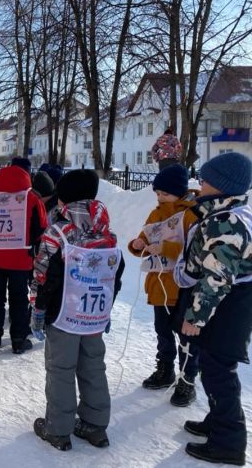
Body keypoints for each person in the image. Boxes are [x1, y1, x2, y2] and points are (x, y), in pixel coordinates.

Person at [30, 169, 125, 451]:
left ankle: (58, 429)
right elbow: (110, 275)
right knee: (94, 365)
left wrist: (37, 308)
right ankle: (95, 425)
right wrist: (106, 310)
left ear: (64, 199)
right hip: (94, 312)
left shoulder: (57, 231)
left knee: (61, 367)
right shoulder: (107, 233)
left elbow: (42, 273)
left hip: (63, 313)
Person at [174, 152, 252, 466]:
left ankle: (229, 442)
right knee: (211, 363)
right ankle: (217, 421)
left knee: (220, 371)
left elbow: (218, 274)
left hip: (229, 304)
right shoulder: (228, 212)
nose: (200, 184)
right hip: (230, 302)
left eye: (205, 180)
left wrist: (195, 316)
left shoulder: (228, 221)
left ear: (221, 186)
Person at [128, 164, 199, 407]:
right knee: (162, 332)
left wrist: (167, 248)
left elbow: (195, 250)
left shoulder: (190, 215)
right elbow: (146, 236)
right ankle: (165, 368)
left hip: (181, 288)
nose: (160, 198)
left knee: (185, 337)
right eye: (158, 193)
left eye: (166, 194)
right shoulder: (156, 213)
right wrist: (138, 244)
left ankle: (187, 380)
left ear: (179, 192)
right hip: (159, 286)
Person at [0, 165, 48, 354]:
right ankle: (18, 340)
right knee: (19, 300)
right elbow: (42, 226)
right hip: (20, 259)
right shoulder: (32, 197)